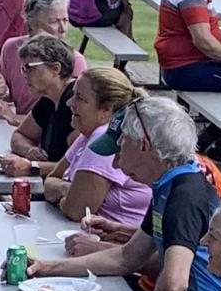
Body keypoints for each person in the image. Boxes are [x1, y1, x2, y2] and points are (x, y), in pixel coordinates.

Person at [30, 97, 221, 291]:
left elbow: (175, 285)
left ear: (144, 145)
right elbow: (126, 258)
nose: (115, 162)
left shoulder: (184, 196)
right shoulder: (171, 183)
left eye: (120, 147)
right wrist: (46, 268)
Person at [39, 67, 152, 226]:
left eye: (80, 98)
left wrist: (65, 196)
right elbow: (50, 181)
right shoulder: (87, 135)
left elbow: (75, 210)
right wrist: (68, 190)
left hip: (113, 242)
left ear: (106, 109)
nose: (69, 102)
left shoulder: (104, 136)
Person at [0, 0, 88, 120]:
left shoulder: (75, 61)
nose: (63, 29)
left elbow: (64, 120)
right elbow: (10, 96)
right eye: (54, 21)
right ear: (32, 24)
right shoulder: (11, 48)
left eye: (65, 20)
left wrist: (14, 117)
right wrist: (2, 91)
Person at [1, 34, 79, 172]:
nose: (24, 74)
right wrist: (29, 150)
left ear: (56, 69)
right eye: (23, 68)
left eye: (30, 68)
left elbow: (79, 167)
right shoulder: (49, 99)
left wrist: (32, 167)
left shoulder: (76, 103)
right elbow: (20, 135)